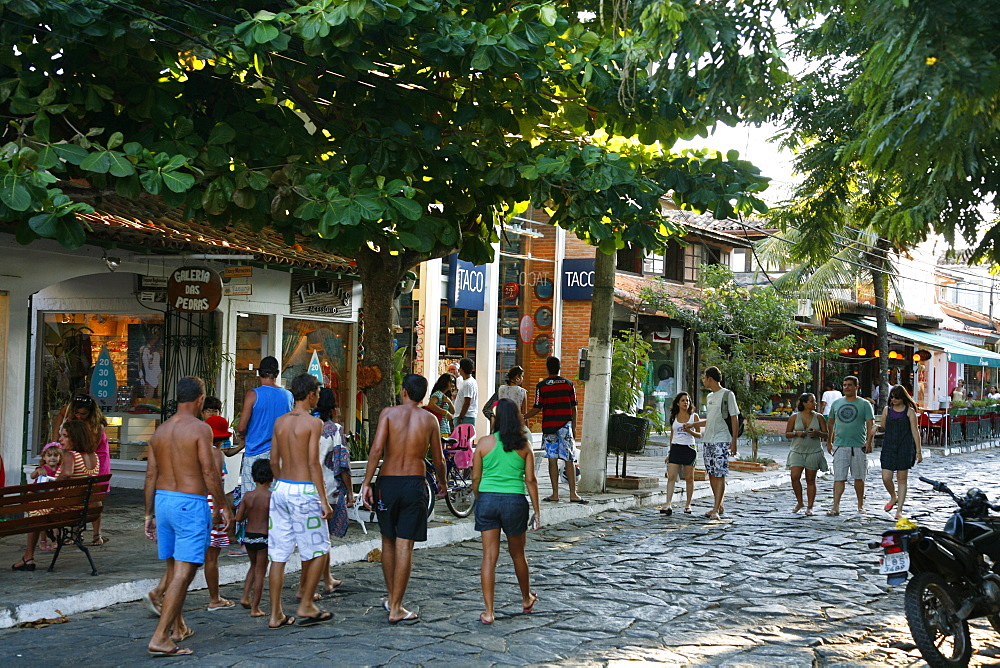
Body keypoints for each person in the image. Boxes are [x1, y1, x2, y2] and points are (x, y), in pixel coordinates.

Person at [143, 376, 231, 657]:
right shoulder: (199, 429)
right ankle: (160, 636)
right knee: (186, 570)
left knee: (173, 568)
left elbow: (151, 475)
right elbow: (208, 471)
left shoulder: (160, 431)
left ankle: (178, 626)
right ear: (200, 399)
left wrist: (148, 513)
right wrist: (222, 506)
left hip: (163, 501)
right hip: (189, 502)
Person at [361, 373, 447, 625]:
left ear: (404, 392)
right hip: (413, 483)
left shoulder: (388, 414)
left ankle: (392, 598)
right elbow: (439, 459)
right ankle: (396, 605)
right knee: (405, 544)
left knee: (387, 539)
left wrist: (366, 483)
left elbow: (376, 450)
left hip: (387, 482)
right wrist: (442, 482)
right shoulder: (430, 419)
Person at [267, 373, 333, 629]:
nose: (318, 397)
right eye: (316, 392)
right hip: (304, 490)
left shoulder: (281, 422)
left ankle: (275, 614)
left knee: (279, 555)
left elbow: (273, 460)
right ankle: (306, 602)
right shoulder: (313, 424)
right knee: (319, 548)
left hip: (281, 488)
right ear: (310, 394)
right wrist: (324, 500)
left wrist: (281, 482)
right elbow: (312, 463)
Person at [473, 398, 541, 625]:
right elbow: (530, 480)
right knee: (518, 554)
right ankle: (525, 598)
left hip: (487, 500)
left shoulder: (483, 443)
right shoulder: (524, 445)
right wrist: (537, 511)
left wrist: (479, 498)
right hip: (514, 502)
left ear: (496, 418)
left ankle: (489, 611)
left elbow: (475, 479)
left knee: (489, 557)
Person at [12, 423, 98, 571]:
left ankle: (28, 557)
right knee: (36, 507)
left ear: (75, 437)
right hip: (80, 509)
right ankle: (29, 556)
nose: (60, 439)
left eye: (65, 435)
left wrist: (50, 488)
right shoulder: (94, 456)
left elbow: (67, 474)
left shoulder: (71, 455)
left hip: (65, 509)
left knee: (33, 513)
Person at [524, 356, 586, 503]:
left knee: (552, 460)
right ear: (559, 367)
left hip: (549, 427)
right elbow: (574, 407)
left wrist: (523, 416)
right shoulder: (568, 384)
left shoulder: (542, 386)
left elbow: (537, 408)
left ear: (547, 368)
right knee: (569, 460)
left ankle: (555, 494)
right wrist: (574, 427)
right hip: (565, 426)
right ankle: (573, 494)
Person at [53, 393, 112, 546]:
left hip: (95, 457)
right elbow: (60, 415)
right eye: (77, 413)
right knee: (76, 493)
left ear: (90, 413)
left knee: (95, 497)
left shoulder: (97, 425)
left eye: (83, 414)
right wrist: (55, 442)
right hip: (78, 454)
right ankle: (76, 533)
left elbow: (90, 447)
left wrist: (73, 455)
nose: (79, 416)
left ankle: (96, 534)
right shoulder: (71, 414)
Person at [684, 367, 739, 520]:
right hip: (708, 440)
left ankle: (715, 508)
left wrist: (734, 441)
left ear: (710, 378)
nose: (703, 380)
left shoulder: (728, 395)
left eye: (704, 377)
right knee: (712, 473)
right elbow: (711, 419)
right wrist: (693, 425)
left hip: (722, 439)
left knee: (720, 473)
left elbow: (734, 418)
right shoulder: (709, 397)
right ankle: (718, 505)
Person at [237, 356, 293, 498]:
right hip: (280, 455)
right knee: (276, 501)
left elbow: (242, 426)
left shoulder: (253, 395)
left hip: (255, 454)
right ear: (278, 373)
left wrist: (243, 435)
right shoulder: (288, 396)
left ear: (259, 372)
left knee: (251, 500)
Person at [315, 387, 352, 597]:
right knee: (322, 539)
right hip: (329, 489)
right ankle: (319, 582)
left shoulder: (307, 426)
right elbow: (342, 464)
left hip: (307, 487)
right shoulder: (334, 429)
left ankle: (327, 578)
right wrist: (351, 491)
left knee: (320, 538)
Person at [826, 375, 875, 516]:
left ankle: (860, 505)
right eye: (845, 384)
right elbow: (830, 423)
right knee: (839, 477)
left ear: (856, 387)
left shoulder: (864, 404)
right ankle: (835, 506)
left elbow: (870, 423)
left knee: (859, 478)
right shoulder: (837, 403)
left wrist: (869, 442)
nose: (846, 387)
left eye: (849, 385)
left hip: (859, 445)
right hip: (840, 445)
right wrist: (829, 441)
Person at [203, 416, 236, 611]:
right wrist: (219, 509)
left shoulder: (194, 452)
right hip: (211, 504)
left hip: (195, 504)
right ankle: (214, 598)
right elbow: (215, 483)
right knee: (211, 558)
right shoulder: (215, 454)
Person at [878, 385, 923, 519]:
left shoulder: (909, 412)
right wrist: (876, 429)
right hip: (889, 446)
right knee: (886, 477)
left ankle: (899, 509)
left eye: (896, 397)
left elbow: (915, 432)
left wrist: (918, 451)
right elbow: (883, 428)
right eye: (892, 397)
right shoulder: (887, 410)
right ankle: (893, 496)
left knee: (902, 479)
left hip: (904, 447)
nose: (894, 399)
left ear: (903, 397)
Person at [237, 458, 272, 618]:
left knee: (252, 566)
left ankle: (245, 596)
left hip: (249, 537)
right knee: (260, 571)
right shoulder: (271, 497)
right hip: (264, 537)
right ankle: (255, 607)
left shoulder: (248, 496)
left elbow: (238, 517)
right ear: (272, 477)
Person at [785, 393, 828, 516]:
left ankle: (810, 506)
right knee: (794, 477)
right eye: (811, 401)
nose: (814, 403)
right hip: (797, 450)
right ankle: (799, 502)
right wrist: (796, 433)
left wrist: (817, 433)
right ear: (804, 403)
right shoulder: (794, 417)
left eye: (814, 401)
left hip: (813, 451)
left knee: (810, 479)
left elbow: (827, 434)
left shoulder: (819, 417)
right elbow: (787, 433)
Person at [661, 392, 701, 516]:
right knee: (671, 476)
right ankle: (668, 503)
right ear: (678, 403)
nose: (686, 403)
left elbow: (699, 435)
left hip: (689, 448)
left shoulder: (694, 417)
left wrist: (689, 430)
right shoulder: (674, 416)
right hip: (676, 449)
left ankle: (688, 505)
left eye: (687, 400)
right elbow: (672, 435)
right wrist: (670, 452)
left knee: (689, 478)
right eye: (683, 400)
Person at [425, 372, 457, 437]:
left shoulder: (444, 396)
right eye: (452, 381)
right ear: (445, 382)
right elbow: (431, 405)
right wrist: (445, 413)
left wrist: (449, 402)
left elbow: (453, 412)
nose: (453, 384)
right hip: (439, 428)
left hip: (444, 428)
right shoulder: (438, 394)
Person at [454, 357, 478, 426]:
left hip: (466, 417)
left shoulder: (468, 383)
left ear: (461, 369)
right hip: (464, 416)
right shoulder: (464, 381)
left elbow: (467, 401)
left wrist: (461, 416)